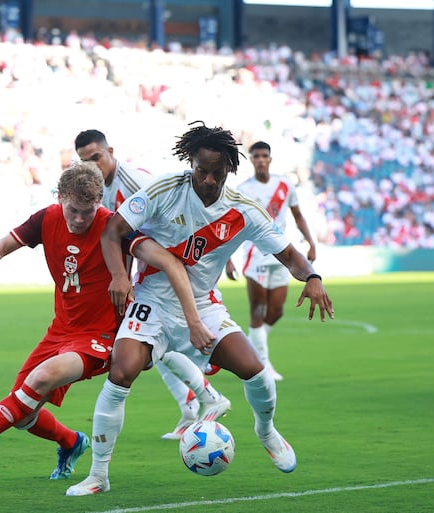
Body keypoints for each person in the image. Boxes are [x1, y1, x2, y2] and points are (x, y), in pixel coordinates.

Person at [66, 122, 333, 496]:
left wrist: (313, 277)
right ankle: (98, 475)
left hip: (205, 304)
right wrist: (119, 277)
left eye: (217, 173)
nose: (208, 180)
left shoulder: (244, 211)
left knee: (255, 371)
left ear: (229, 170)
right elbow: (113, 231)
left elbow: (289, 254)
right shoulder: (163, 189)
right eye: (202, 170)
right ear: (191, 162)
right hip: (152, 302)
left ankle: (266, 430)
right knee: (121, 371)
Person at [0, 161, 207, 480]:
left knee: (38, 380)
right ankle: (71, 441)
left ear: (99, 203)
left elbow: (161, 258)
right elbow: (8, 242)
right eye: (73, 211)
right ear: (60, 197)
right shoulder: (46, 218)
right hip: (60, 330)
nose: (79, 219)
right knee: (22, 414)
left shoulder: (113, 226)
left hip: (102, 336)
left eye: (87, 212)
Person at [75, 129, 230, 440]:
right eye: (84, 161)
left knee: (149, 343)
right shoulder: (97, 188)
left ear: (110, 152)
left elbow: (175, 216)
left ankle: (206, 396)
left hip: (164, 272)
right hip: (142, 270)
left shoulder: (135, 181)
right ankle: (195, 403)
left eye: (96, 158)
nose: (92, 165)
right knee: (149, 345)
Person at [224, 141, 317, 381]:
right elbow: (231, 224)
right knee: (258, 311)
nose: (261, 160)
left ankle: (252, 342)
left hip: (280, 255)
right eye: (256, 156)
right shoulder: (243, 189)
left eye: (265, 156)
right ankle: (263, 364)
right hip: (254, 256)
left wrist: (311, 242)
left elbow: (298, 216)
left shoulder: (284, 184)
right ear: (251, 160)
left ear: (270, 159)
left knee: (276, 311)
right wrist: (228, 259)